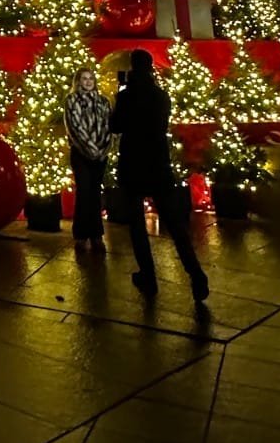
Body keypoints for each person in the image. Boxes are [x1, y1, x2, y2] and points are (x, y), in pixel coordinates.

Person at [110, 48, 209, 303]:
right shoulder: (161, 96)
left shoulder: (127, 96)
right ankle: (195, 273)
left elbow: (115, 126)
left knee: (137, 226)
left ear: (132, 67)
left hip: (134, 164)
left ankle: (148, 274)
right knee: (175, 224)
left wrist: (120, 95)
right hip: (158, 163)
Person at [64, 65, 112, 247]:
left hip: (100, 155)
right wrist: (91, 149)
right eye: (84, 79)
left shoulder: (103, 101)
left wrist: (103, 149)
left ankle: (97, 235)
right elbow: (75, 127)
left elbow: (109, 127)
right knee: (84, 193)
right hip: (81, 154)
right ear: (78, 82)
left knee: (95, 194)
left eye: (90, 78)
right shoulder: (72, 101)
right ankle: (81, 235)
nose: (88, 82)